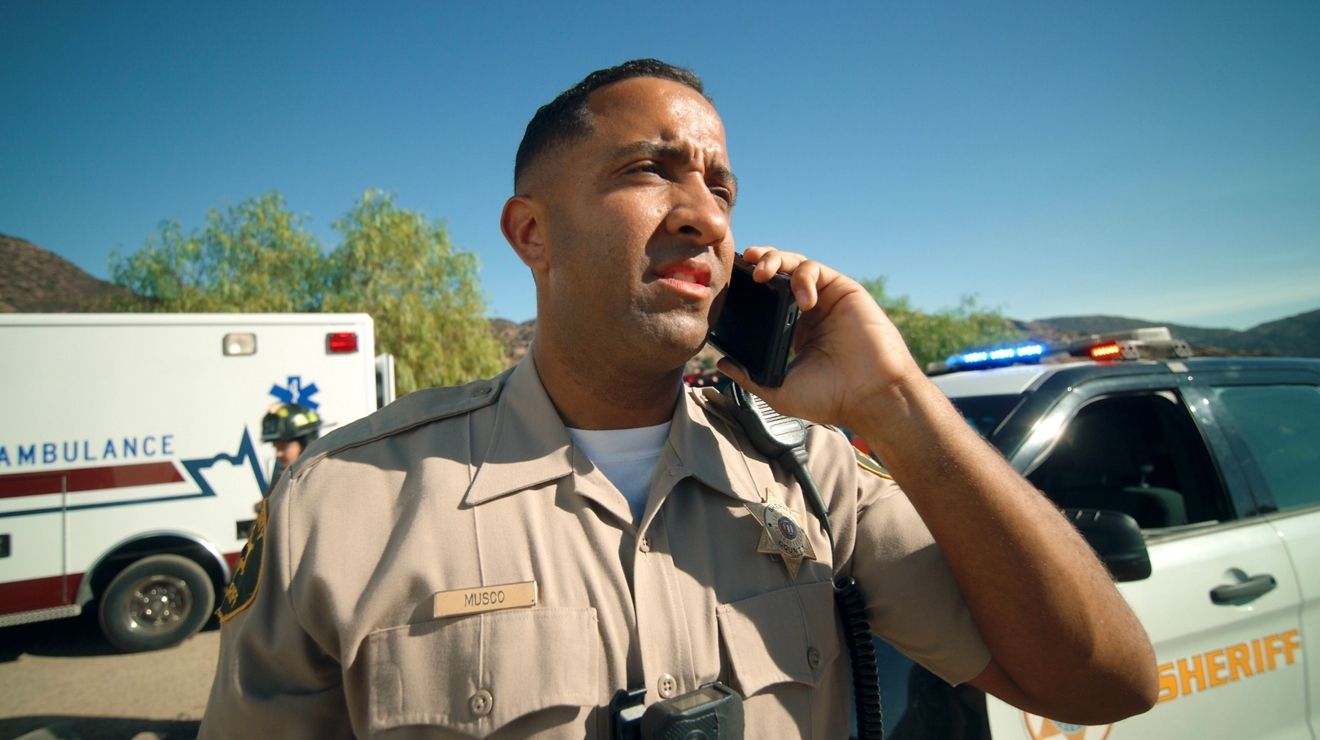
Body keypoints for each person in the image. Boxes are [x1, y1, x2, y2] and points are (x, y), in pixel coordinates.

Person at [200, 60, 1157, 739]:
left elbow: (1103, 683)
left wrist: (897, 401)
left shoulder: (814, 474)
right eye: (650, 170)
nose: (703, 214)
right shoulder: (343, 503)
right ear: (531, 233)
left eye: (720, 185)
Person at [259, 402, 321, 493]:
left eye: (283, 447)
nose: (278, 454)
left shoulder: (325, 483)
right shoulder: (280, 484)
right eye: (276, 447)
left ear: (306, 445)